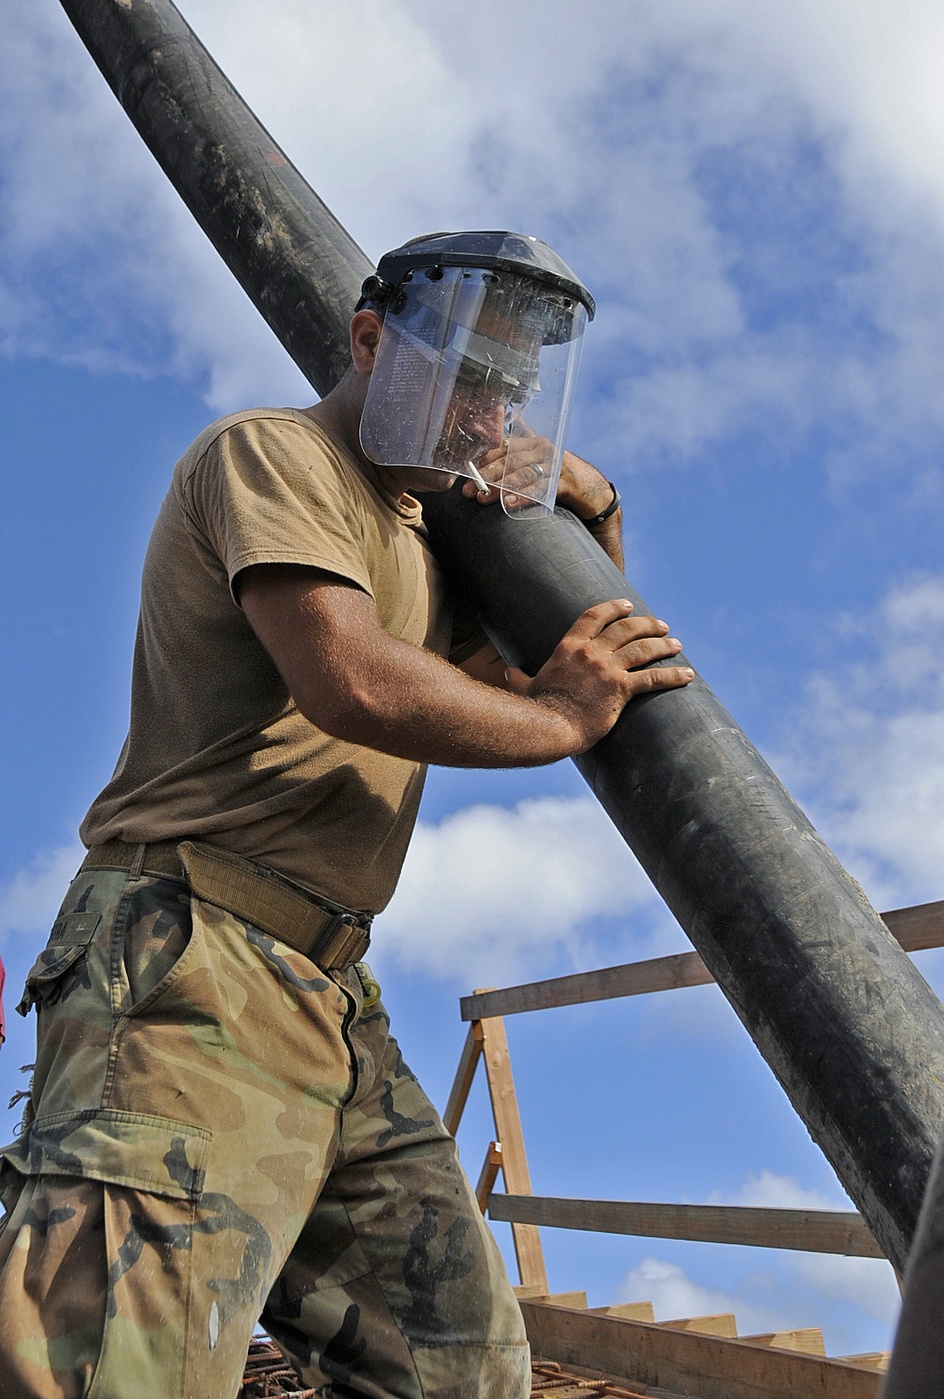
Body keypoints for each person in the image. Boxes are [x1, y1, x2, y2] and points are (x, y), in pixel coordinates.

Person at [0, 231, 693, 1399]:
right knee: (114, 1370)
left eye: (511, 390)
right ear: (370, 341)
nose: (490, 414)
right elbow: (356, 679)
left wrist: (597, 517)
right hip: (188, 956)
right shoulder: (275, 455)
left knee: (457, 1361)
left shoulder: (429, 541)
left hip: (325, 992)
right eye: (467, 376)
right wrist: (567, 717)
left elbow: (524, 688)